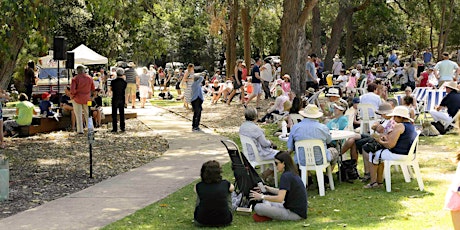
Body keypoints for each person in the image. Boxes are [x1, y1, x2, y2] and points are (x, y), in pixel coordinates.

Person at [363, 106, 417, 189]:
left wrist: (378, 140)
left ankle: (373, 183)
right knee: (379, 155)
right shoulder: (411, 126)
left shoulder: (399, 126)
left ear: (401, 117)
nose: (393, 118)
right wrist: (385, 139)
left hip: (398, 154)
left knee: (372, 153)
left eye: (395, 116)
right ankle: (379, 182)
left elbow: (390, 145)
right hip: (408, 154)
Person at [249, 151, 307, 221]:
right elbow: (284, 192)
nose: (275, 166)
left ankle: (268, 215)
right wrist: (268, 189)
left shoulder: (285, 176)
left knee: (258, 207)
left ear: (283, 163)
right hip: (293, 209)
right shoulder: (291, 173)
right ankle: (269, 214)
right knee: (266, 201)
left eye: (276, 163)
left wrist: (261, 196)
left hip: (293, 213)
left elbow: (280, 198)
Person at [287, 104, 339, 169]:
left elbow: (290, 146)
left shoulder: (295, 128)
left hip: (301, 160)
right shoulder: (323, 128)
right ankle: (328, 175)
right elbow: (329, 141)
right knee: (334, 151)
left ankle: (307, 175)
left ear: (303, 115)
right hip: (320, 160)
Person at [194, 160, 234, 227]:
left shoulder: (199, 185)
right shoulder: (225, 183)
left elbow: (195, 190)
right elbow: (232, 189)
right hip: (225, 221)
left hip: (201, 221)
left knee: (201, 194)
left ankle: (202, 213)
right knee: (228, 191)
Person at [70, 65, 95, 134]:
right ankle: (90, 128)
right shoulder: (90, 78)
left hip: (77, 98)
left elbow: (72, 90)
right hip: (87, 98)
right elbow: (93, 88)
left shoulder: (75, 79)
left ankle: (80, 130)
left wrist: (73, 95)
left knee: (78, 115)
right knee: (88, 114)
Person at [110, 68, 127, 132]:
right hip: (122, 98)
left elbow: (111, 89)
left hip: (115, 98)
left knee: (114, 114)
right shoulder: (124, 82)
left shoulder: (113, 82)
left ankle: (115, 128)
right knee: (122, 114)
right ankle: (122, 127)